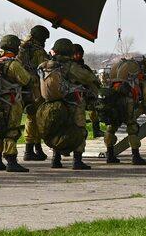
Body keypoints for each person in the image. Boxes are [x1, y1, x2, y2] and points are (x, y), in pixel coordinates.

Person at [37, 38, 100, 170]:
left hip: (52, 103)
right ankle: (77, 160)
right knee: (79, 129)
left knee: (58, 129)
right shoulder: (70, 66)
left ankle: (56, 159)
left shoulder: (45, 65)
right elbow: (89, 78)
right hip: (73, 103)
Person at [0, 35, 31, 173]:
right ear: (15, 48)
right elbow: (26, 80)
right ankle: (11, 161)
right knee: (11, 130)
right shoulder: (13, 64)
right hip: (10, 102)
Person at [101, 57, 146, 166]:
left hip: (113, 98)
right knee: (132, 127)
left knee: (112, 126)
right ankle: (135, 156)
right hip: (128, 100)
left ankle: (110, 154)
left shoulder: (116, 68)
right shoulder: (134, 68)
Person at [18, 25, 51, 161]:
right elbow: (45, 67)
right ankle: (29, 150)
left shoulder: (24, 48)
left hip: (25, 88)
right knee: (33, 119)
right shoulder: (37, 51)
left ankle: (36, 148)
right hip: (35, 89)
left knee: (34, 118)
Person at [72, 44, 103, 138]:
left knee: (94, 110)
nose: (78, 56)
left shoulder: (84, 67)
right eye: (76, 54)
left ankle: (96, 130)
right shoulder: (71, 67)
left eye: (80, 54)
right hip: (76, 95)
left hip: (87, 94)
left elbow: (92, 78)